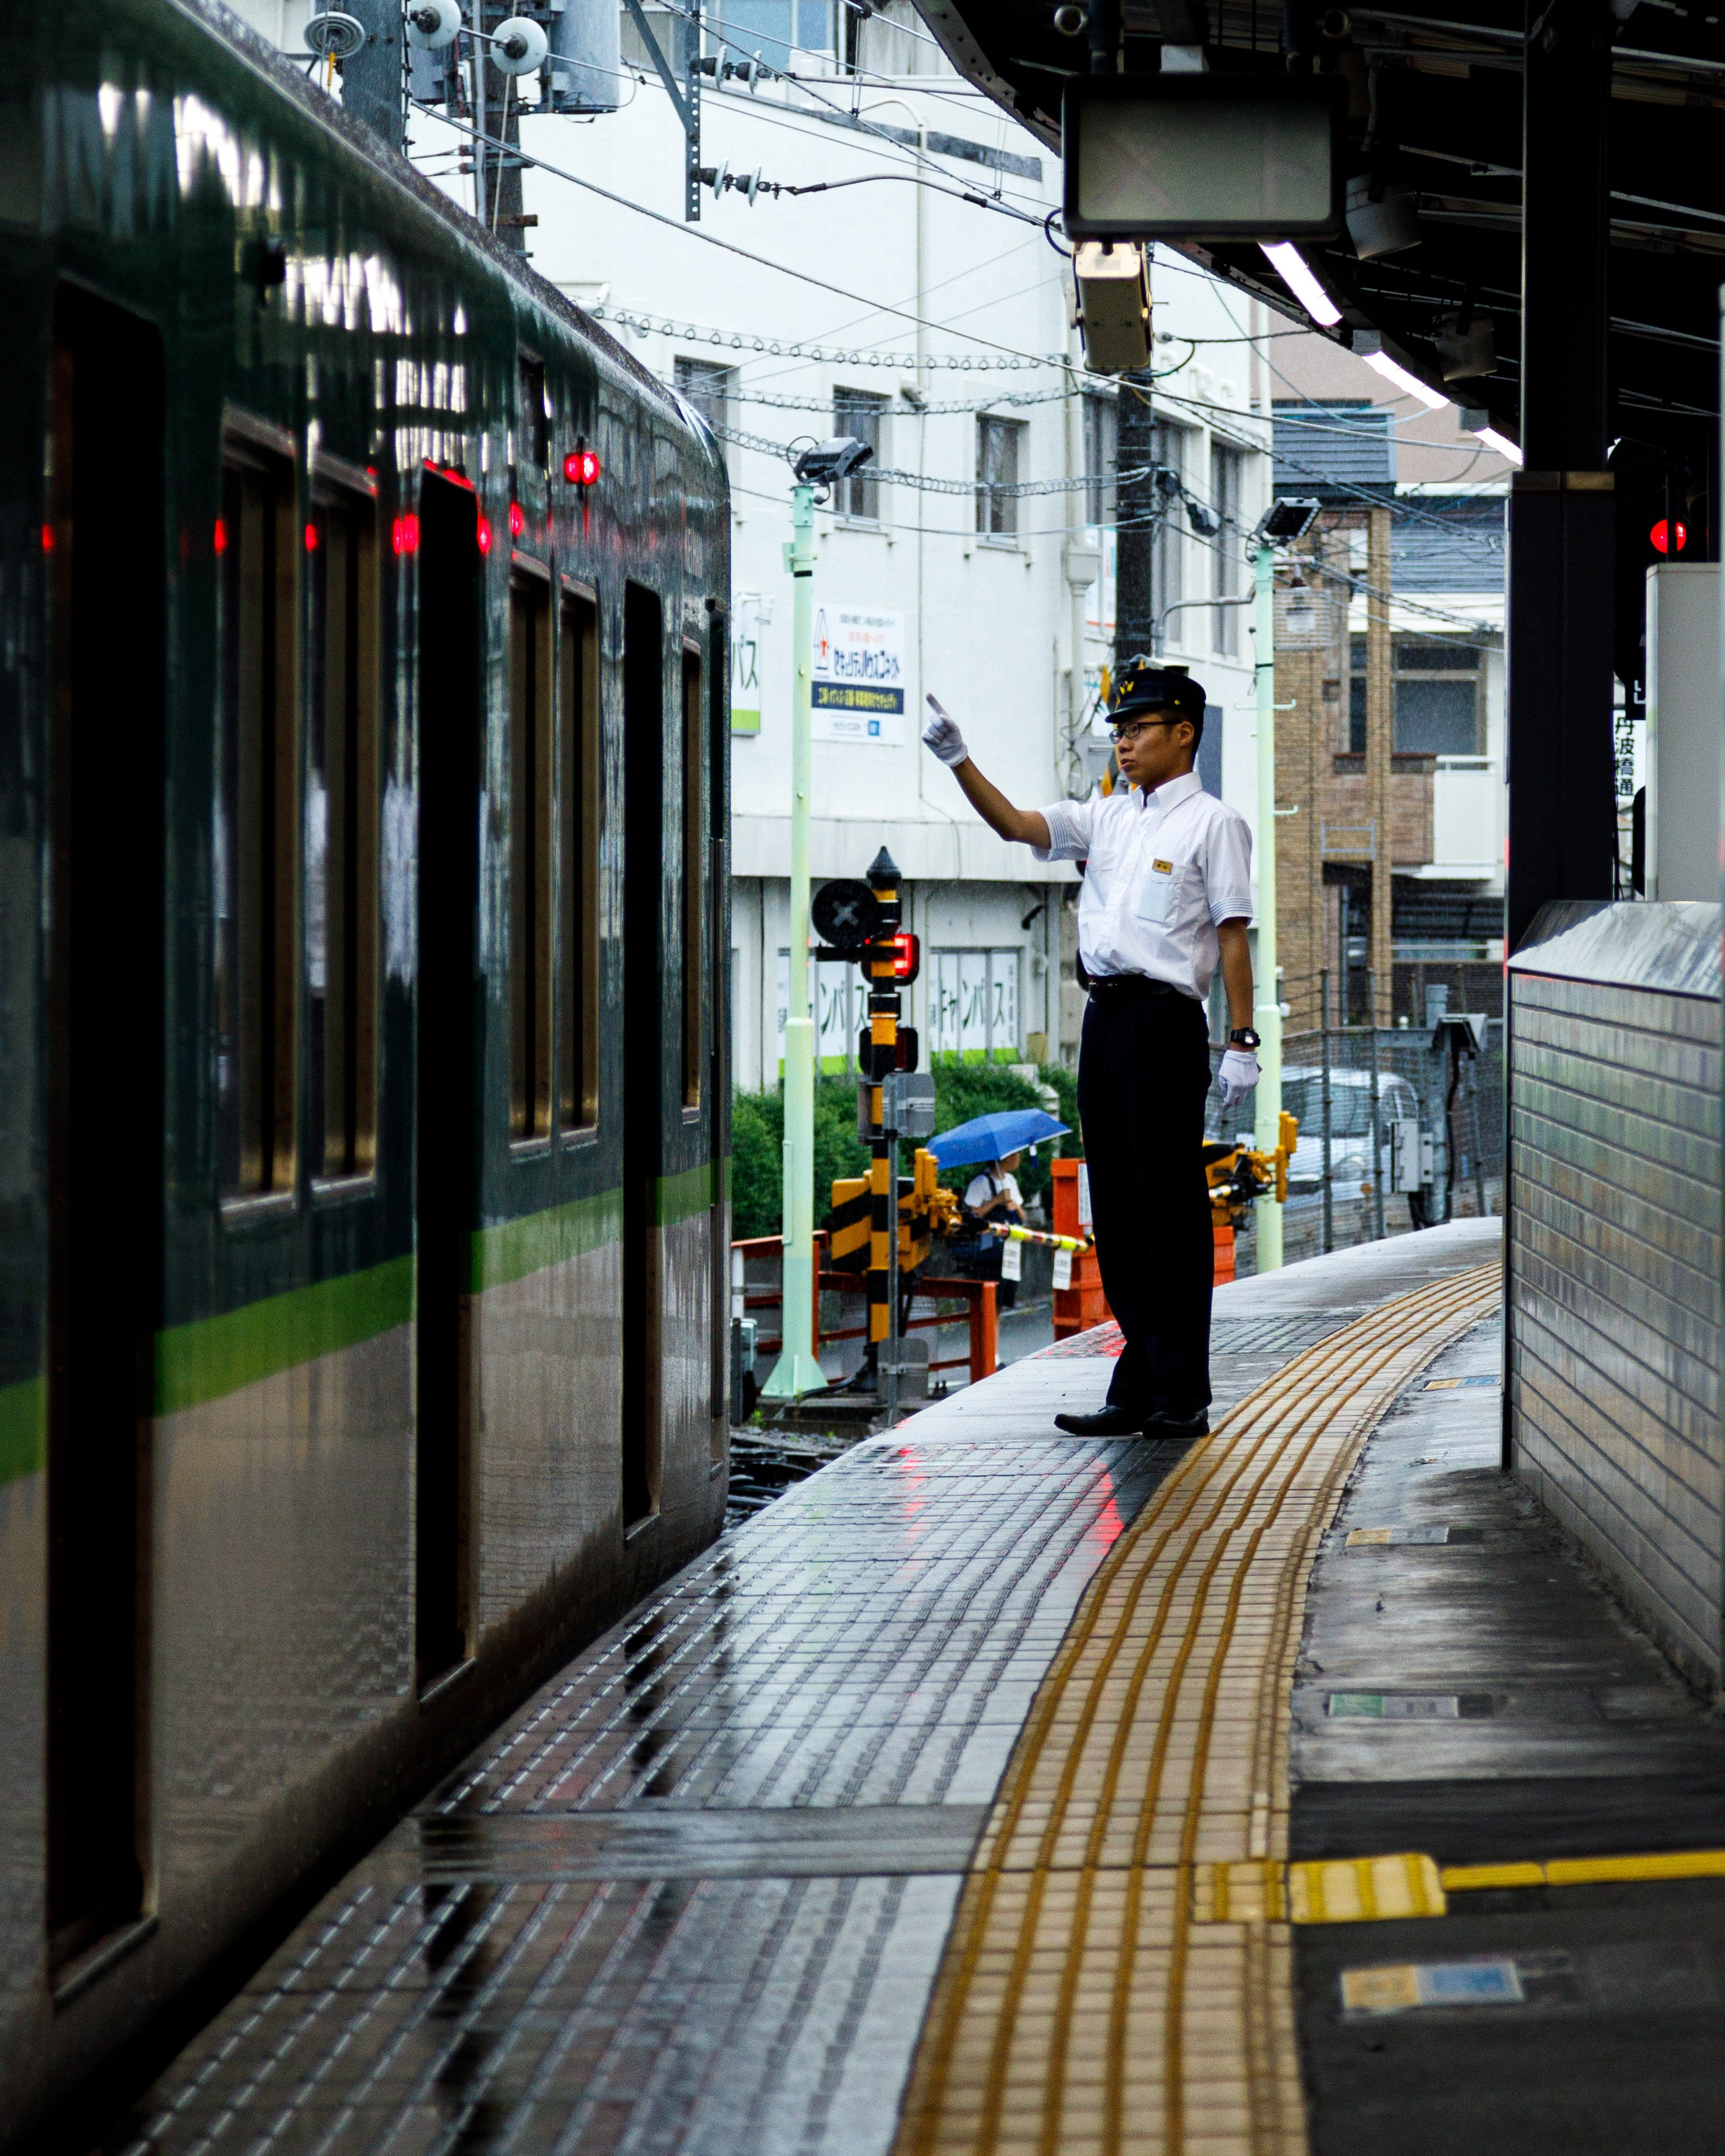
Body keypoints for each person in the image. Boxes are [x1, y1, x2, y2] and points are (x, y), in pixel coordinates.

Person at [921, 667, 1259, 1436]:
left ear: (1184, 732)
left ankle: (1181, 1393)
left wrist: (1241, 1036)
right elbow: (1013, 824)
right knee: (1120, 1211)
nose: (1124, 740)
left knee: (1168, 1209)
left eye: (1138, 727)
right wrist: (957, 760)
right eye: (1119, 728)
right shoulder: (1105, 817)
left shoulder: (1213, 823)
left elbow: (1232, 932)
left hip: (1166, 1021)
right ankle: (1137, 1382)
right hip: (1105, 1019)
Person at [960, 1149, 1026, 1308]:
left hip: (1009, 1247)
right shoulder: (981, 1182)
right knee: (988, 1297)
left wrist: (1014, 1206)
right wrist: (996, 1201)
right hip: (987, 1247)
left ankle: (995, 1331)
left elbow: (1023, 1218)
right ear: (1005, 1157)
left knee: (1003, 1297)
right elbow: (971, 1215)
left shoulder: (1011, 1180)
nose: (1018, 1158)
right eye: (1015, 1154)